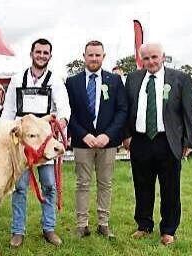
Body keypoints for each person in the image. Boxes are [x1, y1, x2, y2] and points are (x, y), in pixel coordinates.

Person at [122, 43, 192, 245]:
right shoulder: (133, 78)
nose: (151, 62)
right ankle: (144, 225)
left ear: (163, 56)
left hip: (168, 141)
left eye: (154, 57)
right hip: (141, 141)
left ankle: (168, 230)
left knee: (170, 188)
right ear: (141, 59)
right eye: (146, 58)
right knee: (142, 186)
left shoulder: (180, 78)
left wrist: (188, 141)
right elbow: (126, 109)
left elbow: (189, 112)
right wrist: (126, 135)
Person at [1, 38, 71, 247]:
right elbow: (9, 111)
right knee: (20, 188)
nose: (41, 56)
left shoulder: (55, 80)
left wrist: (62, 121)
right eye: (38, 52)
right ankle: (18, 231)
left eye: (45, 53)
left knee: (49, 185)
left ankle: (49, 228)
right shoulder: (17, 79)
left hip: (45, 143)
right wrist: (6, 133)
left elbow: (64, 108)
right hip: (24, 145)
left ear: (50, 55)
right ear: (31, 54)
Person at [66, 40, 128, 239]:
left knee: (105, 183)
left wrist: (107, 135)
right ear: (84, 56)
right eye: (90, 55)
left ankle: (103, 223)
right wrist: (83, 134)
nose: (94, 58)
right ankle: (82, 224)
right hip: (82, 141)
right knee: (82, 183)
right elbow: (69, 113)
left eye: (97, 55)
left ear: (103, 56)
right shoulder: (72, 82)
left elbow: (121, 111)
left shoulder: (115, 81)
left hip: (107, 142)